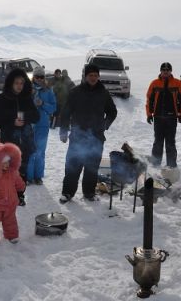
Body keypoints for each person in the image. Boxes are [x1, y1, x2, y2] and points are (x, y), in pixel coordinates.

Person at [59, 64, 117, 203]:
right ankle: (67, 193)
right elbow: (66, 112)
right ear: (85, 76)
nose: (93, 78)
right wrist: (63, 131)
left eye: (96, 76)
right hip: (78, 137)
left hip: (96, 138)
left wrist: (105, 124)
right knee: (73, 166)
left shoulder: (103, 93)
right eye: (91, 75)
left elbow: (112, 112)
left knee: (92, 168)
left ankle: (89, 193)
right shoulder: (76, 92)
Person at [0, 67, 40, 206]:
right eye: (17, 83)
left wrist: (25, 118)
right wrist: (12, 120)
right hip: (9, 140)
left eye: (22, 83)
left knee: (22, 169)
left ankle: (19, 195)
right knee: (8, 168)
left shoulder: (27, 98)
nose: (19, 86)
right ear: (11, 83)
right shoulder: (2, 98)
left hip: (25, 141)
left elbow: (36, 116)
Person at [145, 62, 181, 167]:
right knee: (158, 142)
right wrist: (149, 114)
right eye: (163, 70)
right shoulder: (154, 83)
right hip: (158, 117)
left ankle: (171, 166)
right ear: (160, 71)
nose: (165, 72)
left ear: (171, 71)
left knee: (170, 143)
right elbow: (149, 100)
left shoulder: (178, 83)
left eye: (167, 70)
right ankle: (155, 165)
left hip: (172, 118)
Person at [26, 67, 57, 184]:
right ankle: (28, 177)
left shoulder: (48, 90)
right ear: (33, 77)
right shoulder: (28, 89)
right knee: (29, 150)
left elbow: (54, 108)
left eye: (41, 77)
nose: (39, 79)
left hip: (43, 125)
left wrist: (43, 103)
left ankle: (38, 176)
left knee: (40, 151)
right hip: (30, 124)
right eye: (37, 76)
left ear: (44, 77)